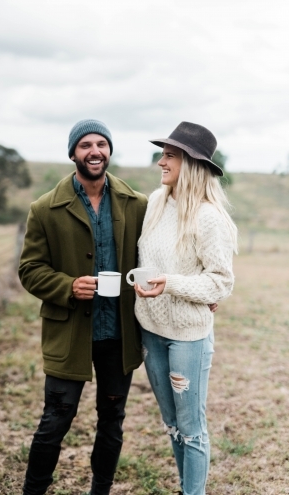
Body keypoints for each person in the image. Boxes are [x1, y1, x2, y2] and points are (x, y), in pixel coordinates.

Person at [18, 119, 148, 495]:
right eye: (86, 145)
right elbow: (29, 270)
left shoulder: (136, 203)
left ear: (109, 151)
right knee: (55, 419)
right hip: (68, 332)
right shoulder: (44, 208)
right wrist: (68, 286)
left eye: (102, 144)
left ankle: (101, 491)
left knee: (112, 419)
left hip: (118, 333)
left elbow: (155, 255)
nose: (95, 151)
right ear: (73, 153)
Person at [133, 121, 238, 495]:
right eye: (163, 154)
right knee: (171, 424)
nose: (161, 162)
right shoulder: (157, 203)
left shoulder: (209, 218)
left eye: (169, 156)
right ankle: (184, 487)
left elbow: (221, 282)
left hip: (188, 339)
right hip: (151, 331)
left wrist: (170, 283)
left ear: (190, 164)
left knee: (191, 428)